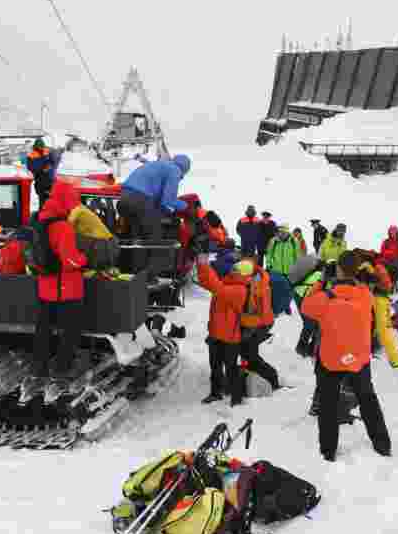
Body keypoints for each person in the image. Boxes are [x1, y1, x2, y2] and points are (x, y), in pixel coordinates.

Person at [302, 250, 392, 462]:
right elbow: (367, 287)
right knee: (368, 400)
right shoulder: (365, 295)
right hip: (358, 358)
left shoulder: (325, 298)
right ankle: (382, 445)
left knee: (328, 403)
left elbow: (306, 307)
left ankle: (328, 450)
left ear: (338, 270)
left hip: (331, 359)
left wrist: (321, 282)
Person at [33, 183, 88, 377]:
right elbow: (70, 261)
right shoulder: (63, 228)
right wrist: (84, 258)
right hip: (66, 288)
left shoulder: (39, 222)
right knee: (71, 330)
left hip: (45, 287)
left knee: (44, 329)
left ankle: (40, 366)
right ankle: (63, 367)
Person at [118, 154, 191, 274]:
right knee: (155, 238)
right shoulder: (174, 170)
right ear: (185, 169)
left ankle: (136, 273)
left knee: (138, 239)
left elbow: (159, 200)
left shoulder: (158, 165)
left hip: (123, 199)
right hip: (140, 200)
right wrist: (186, 206)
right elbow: (168, 200)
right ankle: (151, 275)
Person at [197, 255, 252, 406]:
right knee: (215, 367)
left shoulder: (240, 290)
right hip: (216, 333)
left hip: (230, 337)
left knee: (231, 368)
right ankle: (216, 393)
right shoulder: (227, 283)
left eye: (236, 270)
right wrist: (200, 264)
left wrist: (205, 264)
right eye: (234, 268)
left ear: (243, 275)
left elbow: (217, 288)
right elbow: (206, 282)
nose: (232, 270)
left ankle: (236, 398)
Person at [238, 260, 280, 392]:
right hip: (261, 323)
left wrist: (246, 332)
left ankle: (272, 379)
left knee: (249, 354)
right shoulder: (259, 280)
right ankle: (253, 378)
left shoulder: (255, 288)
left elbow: (253, 314)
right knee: (248, 353)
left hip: (258, 325)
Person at [358, 256, 398, 369]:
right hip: (381, 299)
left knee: (382, 330)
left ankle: (395, 360)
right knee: (381, 328)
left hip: (378, 300)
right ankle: (392, 358)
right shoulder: (376, 269)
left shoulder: (367, 270)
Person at [68, 201, 119, 271]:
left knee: (98, 272)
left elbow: (67, 225)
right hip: (107, 243)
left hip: (102, 244)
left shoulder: (77, 210)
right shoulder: (81, 209)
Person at [25, 138, 57, 206]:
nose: (40, 148)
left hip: (48, 180)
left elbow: (53, 162)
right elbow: (31, 167)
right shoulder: (31, 155)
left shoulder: (48, 152)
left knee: (48, 200)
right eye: (39, 146)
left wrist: (47, 167)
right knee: (43, 200)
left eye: (41, 146)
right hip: (41, 180)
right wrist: (42, 169)